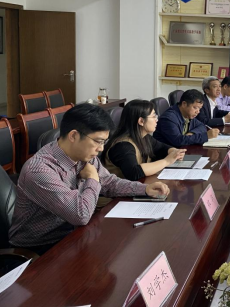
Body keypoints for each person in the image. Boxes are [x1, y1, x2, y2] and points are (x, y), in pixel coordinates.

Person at [9, 103, 170, 255]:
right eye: (98, 141)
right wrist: (93, 178)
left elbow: (109, 183)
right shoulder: (39, 170)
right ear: (73, 136)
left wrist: (144, 189)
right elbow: (80, 215)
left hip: (74, 235)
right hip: (40, 248)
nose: (101, 148)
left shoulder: (84, 155)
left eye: (104, 142)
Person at [103, 100, 187, 181]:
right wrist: (166, 161)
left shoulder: (144, 137)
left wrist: (174, 152)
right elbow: (134, 173)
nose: (156, 120)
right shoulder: (122, 145)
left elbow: (161, 147)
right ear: (141, 121)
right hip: (121, 190)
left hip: (140, 185)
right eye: (153, 116)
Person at [154, 89, 220, 147]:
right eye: (195, 107)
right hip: (166, 154)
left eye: (199, 108)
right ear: (184, 104)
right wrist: (206, 136)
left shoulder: (187, 114)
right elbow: (178, 141)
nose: (198, 111)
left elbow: (201, 125)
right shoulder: (169, 119)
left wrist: (192, 133)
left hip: (180, 151)